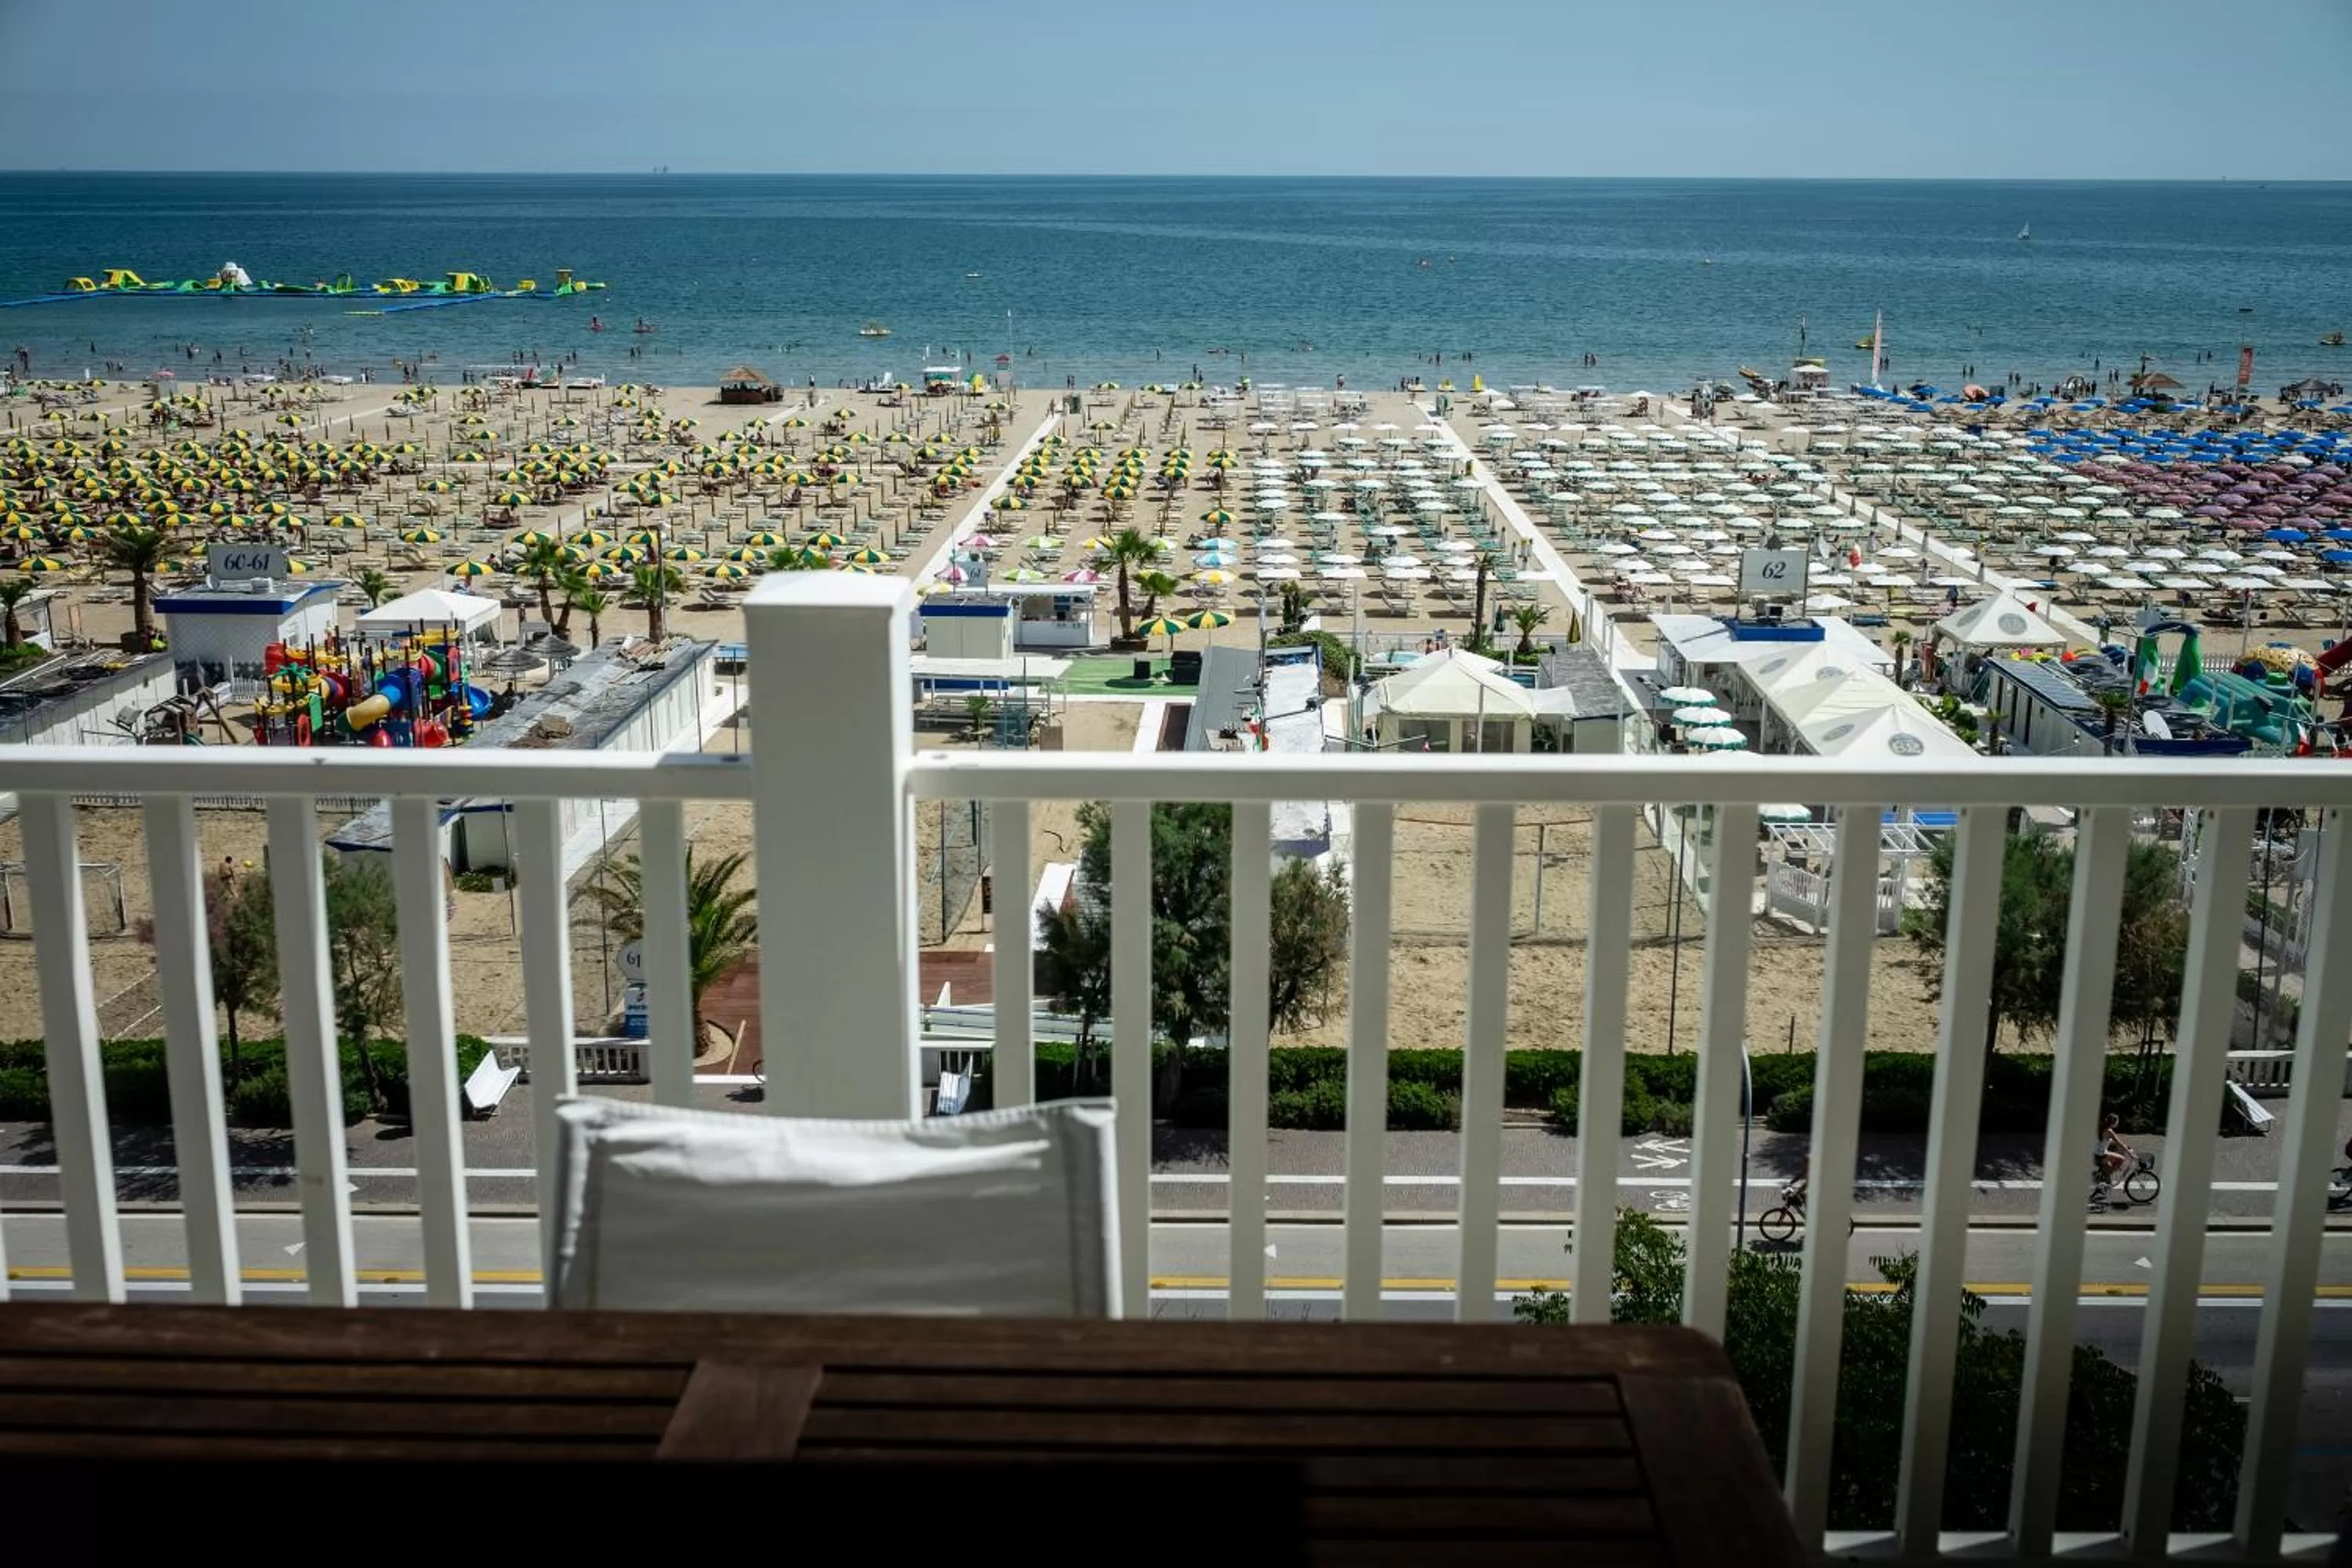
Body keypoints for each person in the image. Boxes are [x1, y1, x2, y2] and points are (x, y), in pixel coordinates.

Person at [2095, 1112, 2132, 1189]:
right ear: (2114, 1122)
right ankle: (2106, 1175)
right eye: (2117, 1121)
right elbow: (2119, 1143)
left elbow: (2107, 1141)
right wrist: (2130, 1154)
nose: (2118, 1123)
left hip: (2096, 1153)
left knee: (2111, 1163)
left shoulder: (2102, 1127)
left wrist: (2126, 1147)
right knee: (2122, 1159)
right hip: (2101, 1156)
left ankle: (2105, 1183)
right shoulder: (2109, 1131)